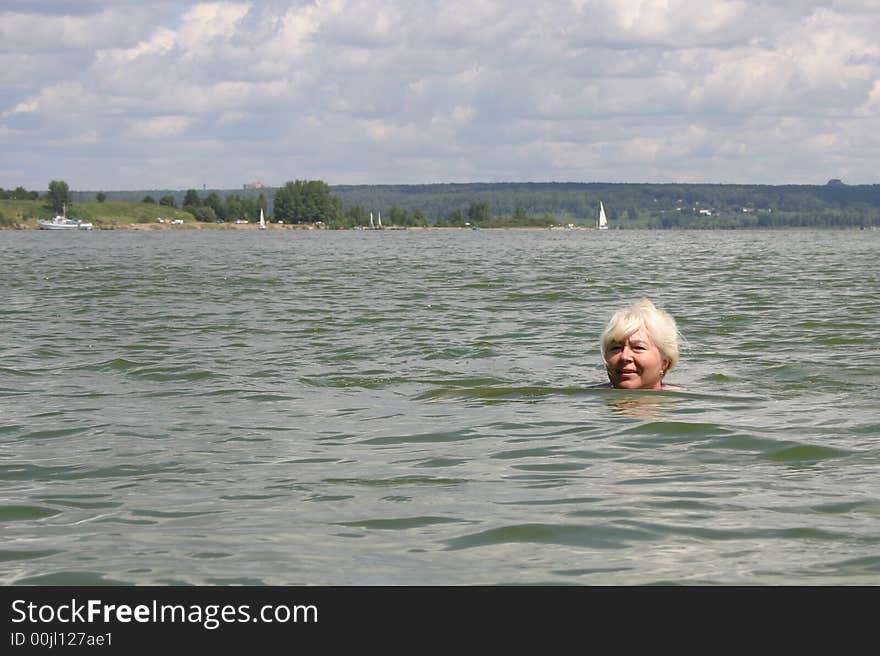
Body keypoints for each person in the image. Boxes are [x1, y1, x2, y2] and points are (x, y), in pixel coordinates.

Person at [599, 298, 682, 390]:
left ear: (664, 363)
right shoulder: (587, 398)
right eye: (616, 348)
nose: (624, 357)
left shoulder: (686, 401)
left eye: (638, 348)